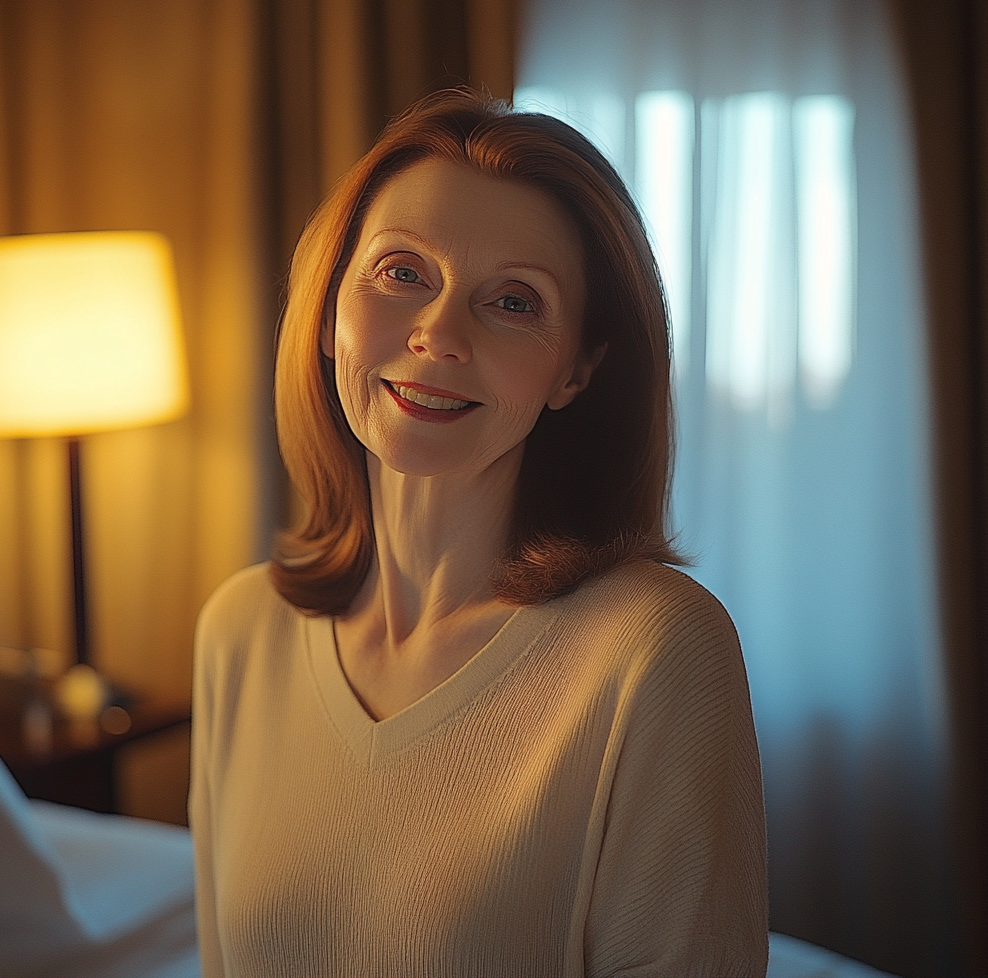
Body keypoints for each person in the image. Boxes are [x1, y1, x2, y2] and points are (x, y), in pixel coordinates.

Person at [189, 90, 768, 977]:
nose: (438, 334)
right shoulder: (239, 632)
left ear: (577, 369)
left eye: (514, 302)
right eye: (402, 272)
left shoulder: (655, 652)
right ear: (329, 306)